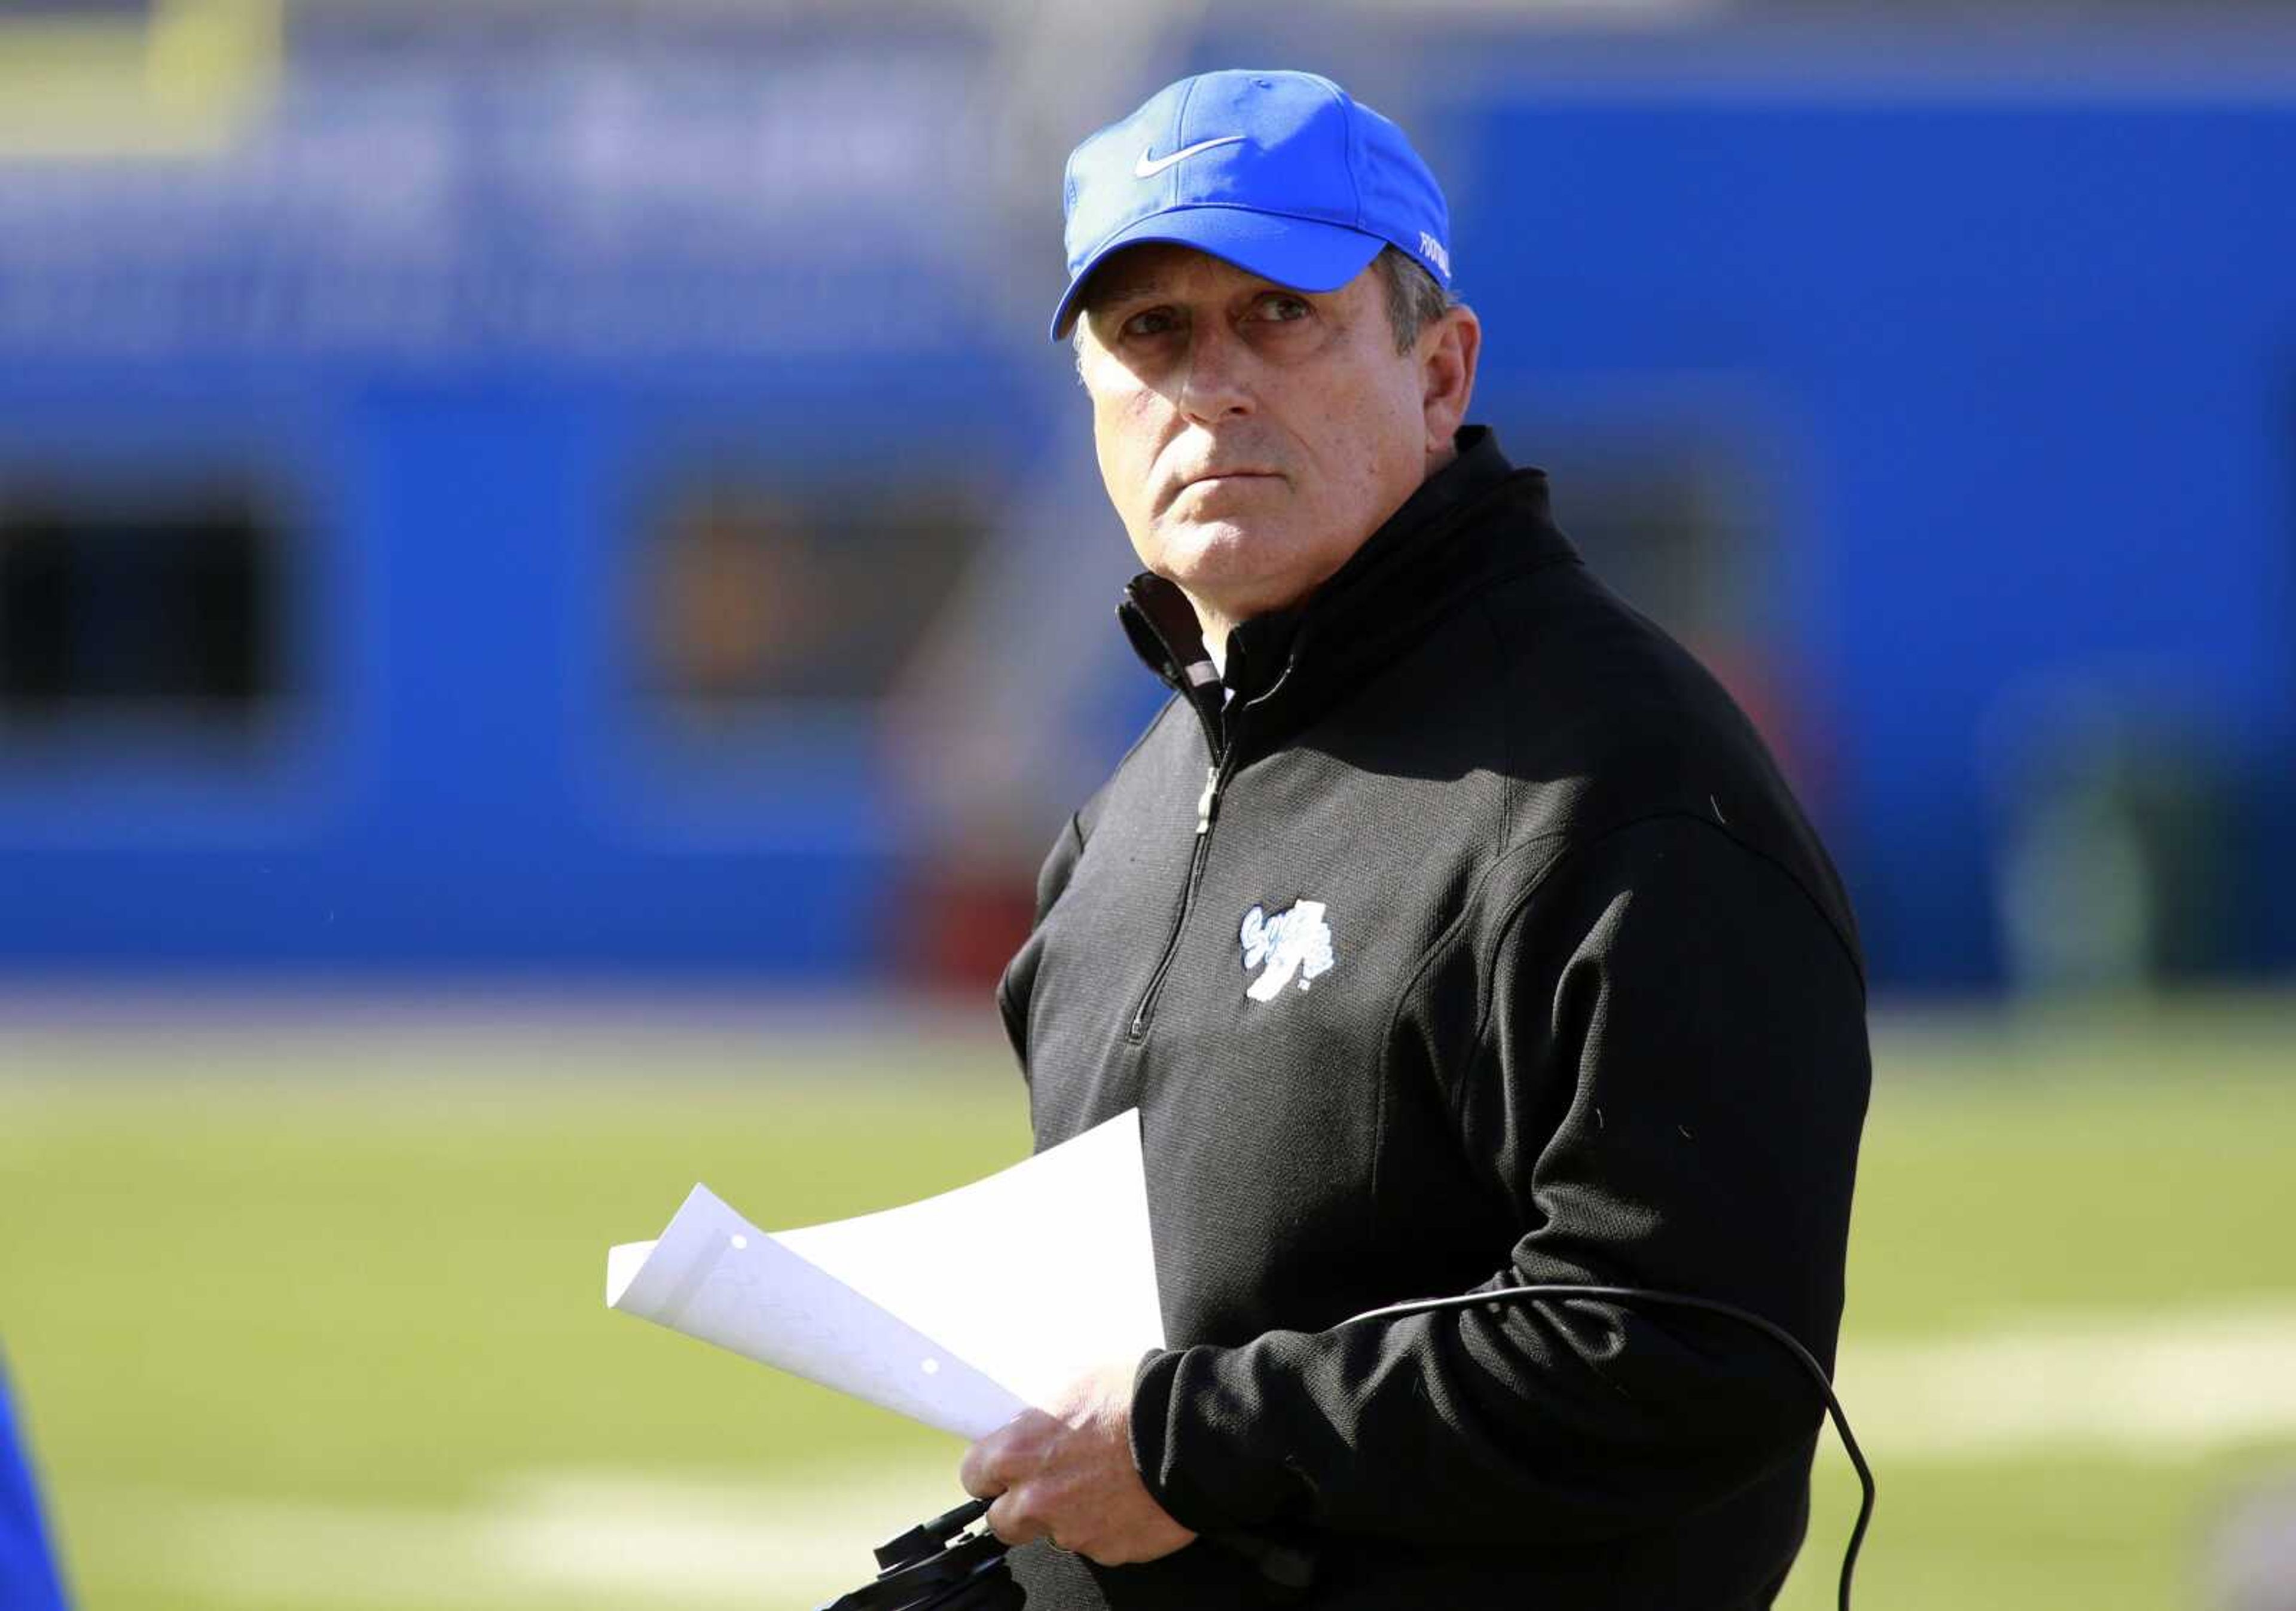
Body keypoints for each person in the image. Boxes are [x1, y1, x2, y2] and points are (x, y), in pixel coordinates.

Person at [959, 69, 1869, 1610]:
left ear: (1439, 373)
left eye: (1280, 315)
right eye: (1150, 334)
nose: (1211, 385)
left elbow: (1695, 1352)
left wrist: (1194, 1446)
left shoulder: (1615, 780)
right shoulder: (1129, 816)